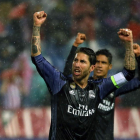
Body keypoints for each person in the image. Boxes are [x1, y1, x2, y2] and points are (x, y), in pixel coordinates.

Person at [31, 11, 135, 140]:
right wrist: (36, 26)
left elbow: (128, 73)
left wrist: (129, 44)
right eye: (75, 60)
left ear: (92, 68)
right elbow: (38, 58)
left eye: (82, 62)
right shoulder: (59, 82)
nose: (77, 64)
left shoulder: (101, 87)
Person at [63, 33, 140, 140]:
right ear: (92, 65)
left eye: (103, 63)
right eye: (97, 62)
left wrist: (138, 57)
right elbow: (67, 76)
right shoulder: (84, 84)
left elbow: (138, 81)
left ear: (110, 66)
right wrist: (75, 46)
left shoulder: (113, 87)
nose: (99, 65)